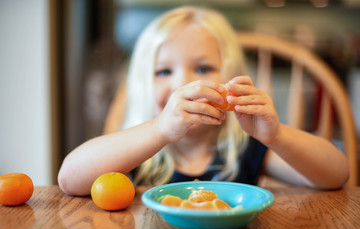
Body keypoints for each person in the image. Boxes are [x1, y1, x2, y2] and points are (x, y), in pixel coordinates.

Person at [57, 6, 349, 196]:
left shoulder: (244, 146)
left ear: (231, 79)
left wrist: (278, 136)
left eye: (203, 68)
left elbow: (338, 174)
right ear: (143, 87)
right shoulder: (138, 152)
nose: (185, 84)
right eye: (163, 71)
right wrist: (159, 130)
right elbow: (69, 178)